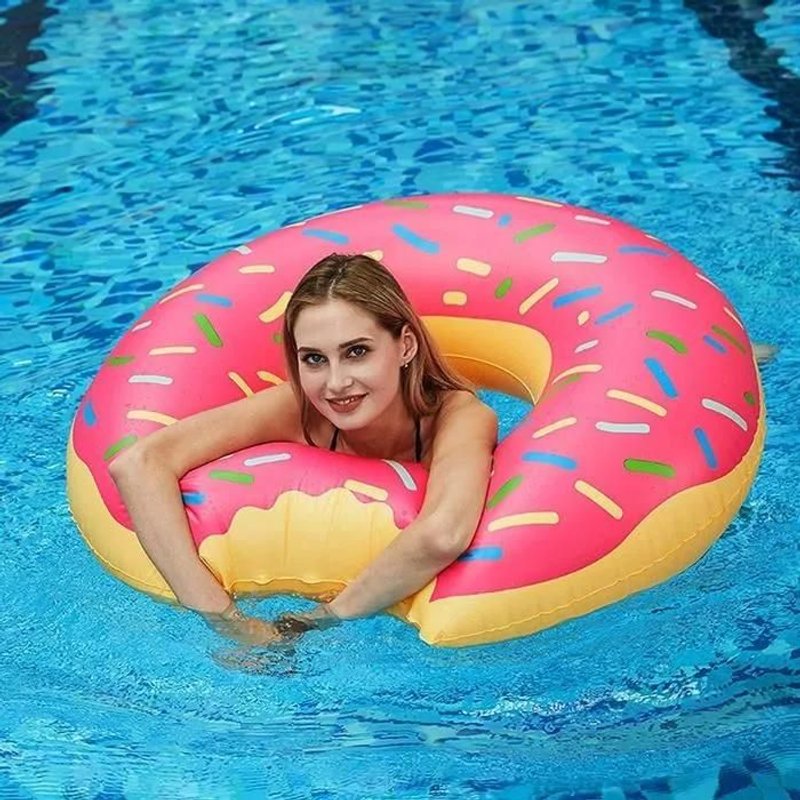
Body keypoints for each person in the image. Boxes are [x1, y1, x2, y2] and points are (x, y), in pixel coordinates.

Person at [109, 253, 498, 648]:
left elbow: (443, 534)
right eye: (314, 359)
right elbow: (139, 464)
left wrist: (313, 623)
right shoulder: (299, 411)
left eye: (357, 352)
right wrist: (225, 621)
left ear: (405, 347)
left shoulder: (459, 416)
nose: (335, 383)